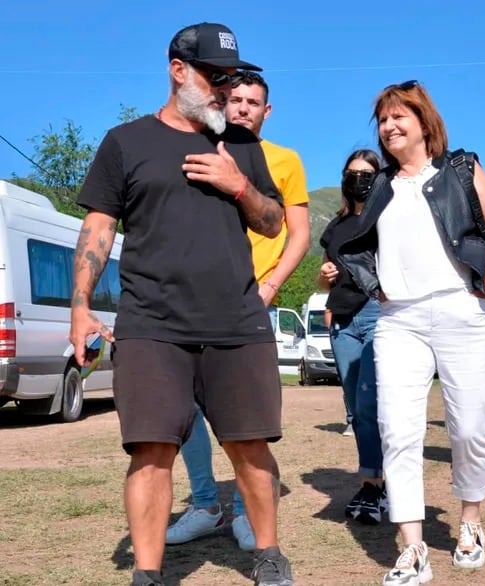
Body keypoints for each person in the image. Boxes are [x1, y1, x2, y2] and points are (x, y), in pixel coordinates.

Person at [68, 23, 294, 586]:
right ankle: (147, 573)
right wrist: (79, 306)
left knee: (250, 446)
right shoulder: (125, 143)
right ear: (177, 71)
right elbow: (97, 226)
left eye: (233, 78)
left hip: (236, 320)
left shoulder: (240, 144)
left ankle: (268, 556)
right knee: (150, 451)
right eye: (215, 76)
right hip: (151, 323)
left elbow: (273, 222)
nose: (225, 89)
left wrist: (237, 185)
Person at [335, 80, 485, 584]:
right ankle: (413, 549)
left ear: (423, 122)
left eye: (399, 117)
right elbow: (349, 244)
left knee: (469, 428)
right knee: (397, 428)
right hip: (400, 322)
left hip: (464, 311)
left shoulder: (461, 169)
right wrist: (374, 286)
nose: (390, 127)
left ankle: (470, 524)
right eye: (383, 120)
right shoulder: (379, 186)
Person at [164, 71, 310, 553]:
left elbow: (298, 234)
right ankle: (206, 504)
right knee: (184, 411)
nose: (243, 107)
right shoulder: (198, 146)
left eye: (253, 102)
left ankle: (248, 512)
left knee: (245, 420)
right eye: (235, 99)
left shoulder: (285, 160)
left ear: (267, 111)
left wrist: (269, 287)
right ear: (222, 103)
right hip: (188, 302)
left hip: (250, 304)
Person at [316, 149, 386, 524]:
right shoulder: (336, 226)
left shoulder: (387, 219)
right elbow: (324, 275)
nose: (358, 179)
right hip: (342, 320)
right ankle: (378, 482)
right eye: (351, 173)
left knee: (369, 403)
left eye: (366, 173)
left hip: (377, 313)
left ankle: (372, 485)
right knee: (356, 411)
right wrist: (324, 277)